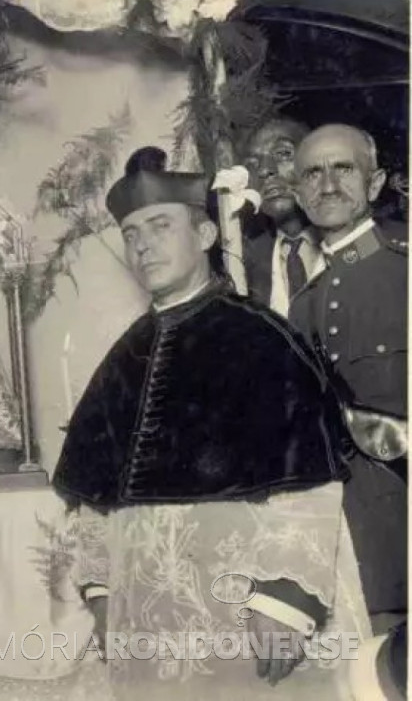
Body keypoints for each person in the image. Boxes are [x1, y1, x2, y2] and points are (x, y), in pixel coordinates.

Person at [52, 147, 367, 700]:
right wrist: (102, 595)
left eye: (158, 225)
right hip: (145, 617)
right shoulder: (124, 355)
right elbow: (95, 501)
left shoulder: (261, 337)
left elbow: (311, 483)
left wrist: (283, 601)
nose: (143, 244)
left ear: (202, 236)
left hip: (242, 606)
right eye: (130, 233)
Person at [289, 124, 407, 639]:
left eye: (344, 168)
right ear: (297, 194)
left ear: (376, 182)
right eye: (313, 172)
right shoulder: (303, 305)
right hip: (359, 547)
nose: (328, 184)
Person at [241, 118, 323, 316]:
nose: (264, 170)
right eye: (252, 164)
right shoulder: (244, 259)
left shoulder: (362, 244)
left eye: (283, 154)